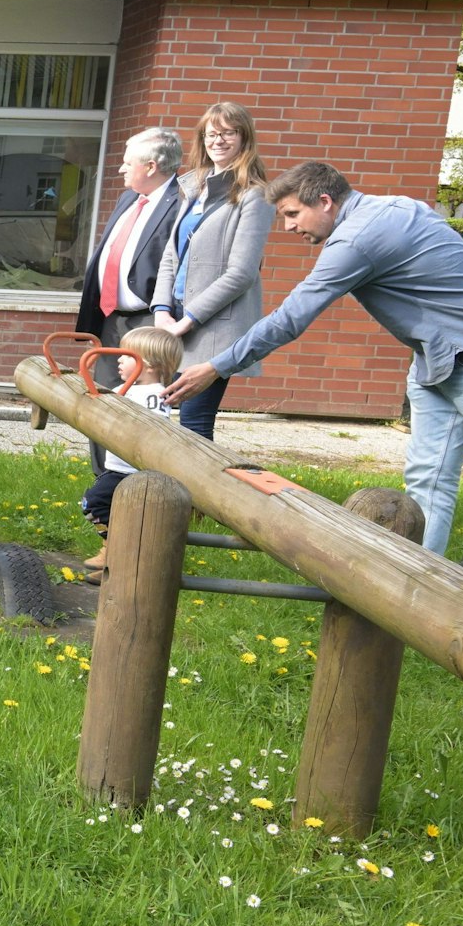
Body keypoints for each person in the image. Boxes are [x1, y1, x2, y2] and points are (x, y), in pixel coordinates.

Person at [168, 162, 463, 556]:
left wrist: (215, 366)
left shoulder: (357, 240)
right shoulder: (397, 206)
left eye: (293, 214)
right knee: (428, 479)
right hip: (436, 361)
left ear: (326, 201)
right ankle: (425, 585)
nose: (288, 227)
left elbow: (291, 318)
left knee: (431, 480)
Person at [152, 102, 273, 440]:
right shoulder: (192, 188)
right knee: (158, 416)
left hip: (211, 327)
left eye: (228, 133)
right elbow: (170, 256)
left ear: (244, 137)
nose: (218, 140)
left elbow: (242, 273)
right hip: (172, 321)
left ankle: (193, 493)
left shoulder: (255, 195)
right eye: (211, 134)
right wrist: (162, 312)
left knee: (193, 424)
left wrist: (186, 321)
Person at [76, 126, 183, 472]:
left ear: (151, 166)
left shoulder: (182, 202)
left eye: (127, 163)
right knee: (102, 397)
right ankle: (102, 480)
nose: (121, 169)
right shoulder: (129, 199)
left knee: (138, 405)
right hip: (111, 317)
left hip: (148, 321)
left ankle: (134, 482)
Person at [81, 326, 183, 575]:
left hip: (124, 469)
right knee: (122, 512)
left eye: (126, 355)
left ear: (147, 364)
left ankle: (114, 549)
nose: (119, 359)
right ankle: (118, 557)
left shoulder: (136, 394)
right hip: (131, 468)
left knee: (92, 504)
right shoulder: (157, 394)